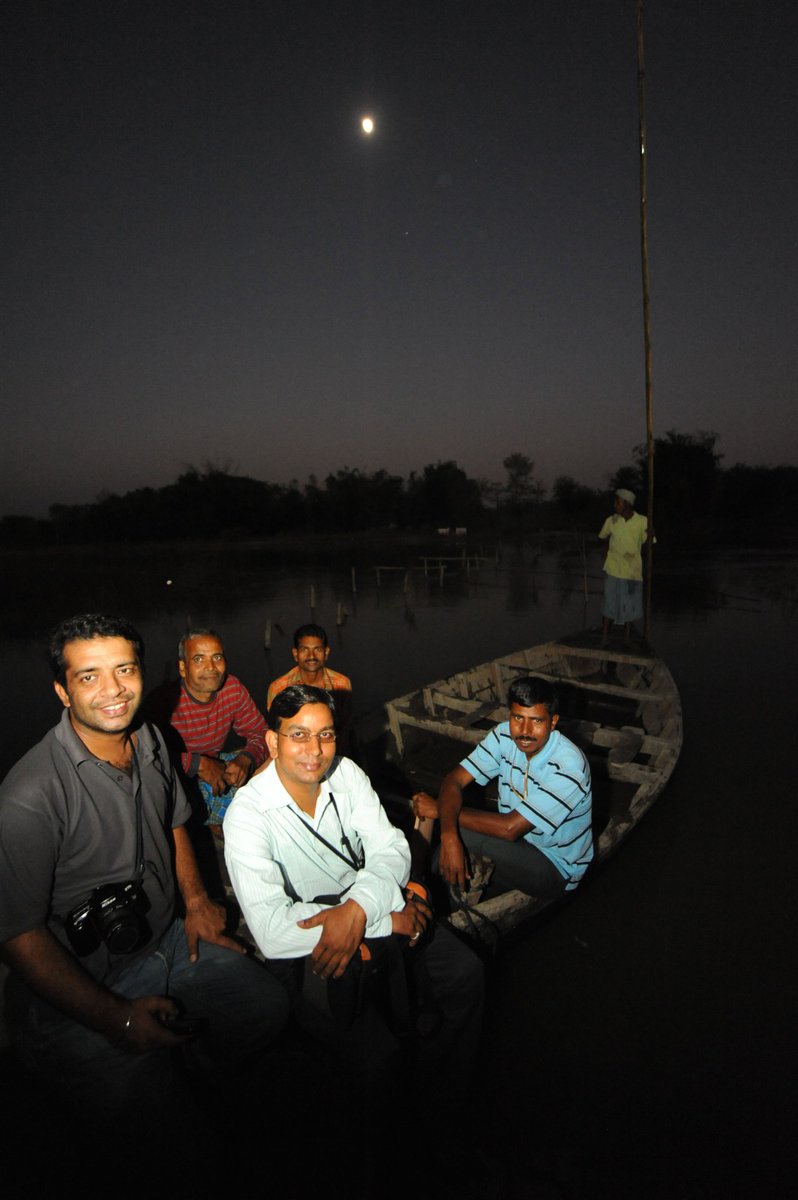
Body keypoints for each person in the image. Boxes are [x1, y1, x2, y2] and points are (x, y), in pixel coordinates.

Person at [0, 614, 289, 1163]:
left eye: (124, 669)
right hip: (77, 987)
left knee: (266, 1006)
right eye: (89, 677)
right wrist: (119, 1019)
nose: (113, 690)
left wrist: (200, 901)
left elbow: (176, 818)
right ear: (62, 690)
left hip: (166, 940)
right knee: (175, 1145)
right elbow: (16, 936)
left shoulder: (150, 738)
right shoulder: (30, 796)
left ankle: (197, 1069)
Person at [223, 685, 483, 1122]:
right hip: (310, 946)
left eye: (325, 735)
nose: (315, 751)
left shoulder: (346, 775)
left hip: (373, 903)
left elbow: (392, 850)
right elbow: (270, 930)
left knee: (466, 974)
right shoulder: (248, 814)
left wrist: (361, 909)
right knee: (376, 1059)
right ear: (272, 741)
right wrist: (387, 923)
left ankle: (444, 1101)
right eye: (299, 735)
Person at [413, 676, 593, 902]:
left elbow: (510, 828)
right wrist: (448, 834)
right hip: (518, 846)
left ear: (553, 721)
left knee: (461, 835)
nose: (525, 731)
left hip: (556, 866)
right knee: (452, 838)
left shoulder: (569, 766)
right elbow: (454, 780)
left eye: (536, 721)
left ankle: (425, 898)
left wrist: (440, 812)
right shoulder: (503, 736)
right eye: (518, 718)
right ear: (509, 715)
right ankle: (436, 897)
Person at [146, 627, 269, 834]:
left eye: (217, 657)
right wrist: (198, 764)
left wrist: (246, 759)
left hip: (217, 765)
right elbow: (144, 757)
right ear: (183, 668)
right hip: (178, 778)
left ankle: (221, 818)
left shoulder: (232, 688)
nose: (211, 667)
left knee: (278, 755)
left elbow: (260, 733)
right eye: (199, 659)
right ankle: (207, 824)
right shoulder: (163, 702)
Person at [266, 623, 354, 754]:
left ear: (326, 652)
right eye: (304, 650)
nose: (311, 656)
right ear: (295, 654)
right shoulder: (279, 688)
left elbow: (345, 728)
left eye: (317, 649)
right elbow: (276, 731)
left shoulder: (342, 684)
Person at [598, 487, 653, 644]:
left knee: (629, 607)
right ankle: (604, 639)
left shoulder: (643, 521)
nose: (615, 504)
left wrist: (651, 533)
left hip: (632, 572)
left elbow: (649, 543)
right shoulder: (611, 521)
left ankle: (626, 639)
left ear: (627, 504)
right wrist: (606, 552)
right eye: (615, 501)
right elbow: (603, 536)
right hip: (613, 569)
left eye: (618, 502)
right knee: (608, 605)